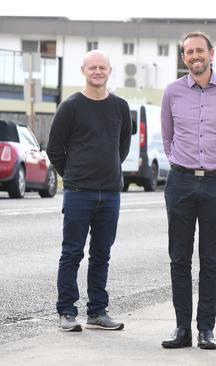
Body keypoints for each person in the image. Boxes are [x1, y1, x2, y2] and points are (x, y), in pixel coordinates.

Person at [160, 31, 216, 350]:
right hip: (180, 181)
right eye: (188, 52)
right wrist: (180, 163)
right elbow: (168, 137)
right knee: (179, 258)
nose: (195, 56)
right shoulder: (172, 92)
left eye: (200, 50)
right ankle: (182, 328)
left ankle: (206, 329)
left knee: (210, 258)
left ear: (211, 53)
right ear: (183, 57)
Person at [47, 50, 131, 332]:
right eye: (92, 67)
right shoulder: (70, 107)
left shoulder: (120, 106)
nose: (98, 72)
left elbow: (123, 147)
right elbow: (54, 149)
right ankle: (67, 312)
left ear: (110, 71)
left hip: (110, 193)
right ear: (83, 70)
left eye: (102, 67)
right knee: (72, 253)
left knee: (102, 254)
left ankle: (97, 311)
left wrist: (108, 171)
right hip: (78, 192)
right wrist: (72, 176)